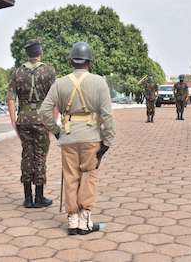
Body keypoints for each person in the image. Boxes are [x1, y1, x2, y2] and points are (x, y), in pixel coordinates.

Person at [39, 42, 115, 235]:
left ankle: (72, 220)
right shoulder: (99, 82)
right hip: (91, 138)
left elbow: (44, 111)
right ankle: (85, 221)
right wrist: (107, 142)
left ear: (71, 60)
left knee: (70, 177)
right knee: (88, 176)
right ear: (90, 61)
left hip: (68, 137)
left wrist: (56, 131)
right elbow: (107, 115)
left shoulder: (60, 83)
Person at [7, 39, 56, 208]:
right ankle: (39, 197)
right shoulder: (49, 71)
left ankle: (28, 198)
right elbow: (55, 99)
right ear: (40, 52)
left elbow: (11, 98)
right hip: (42, 118)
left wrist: (14, 121)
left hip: (24, 119)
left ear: (27, 53)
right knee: (40, 156)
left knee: (27, 155)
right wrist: (53, 122)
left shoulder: (17, 72)